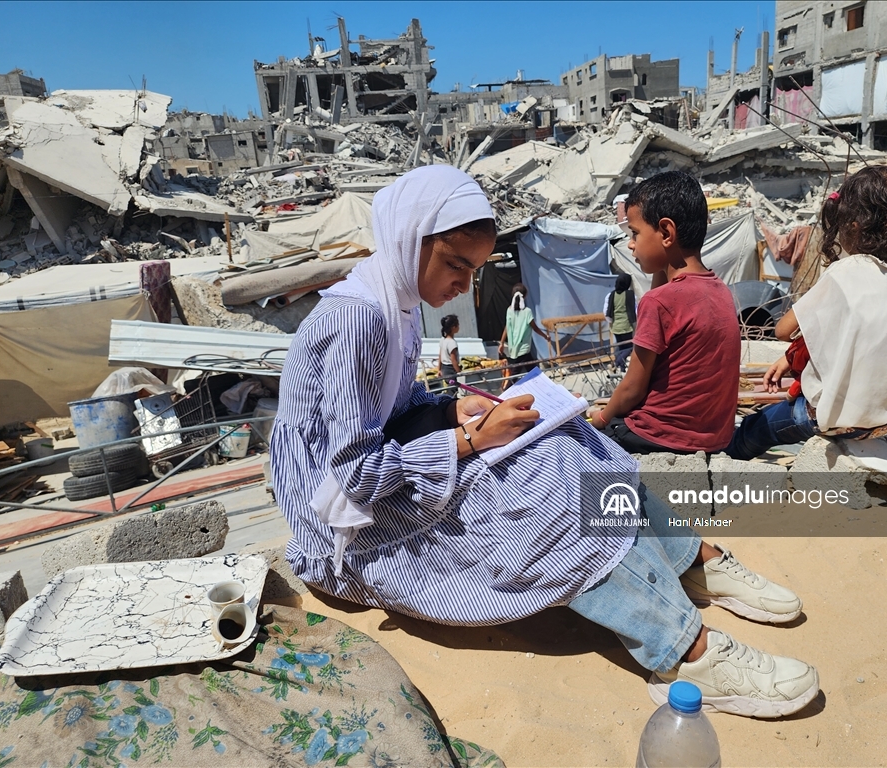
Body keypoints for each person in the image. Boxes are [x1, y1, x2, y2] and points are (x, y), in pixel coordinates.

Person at [271, 165, 818, 718]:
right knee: (547, 490)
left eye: (474, 269)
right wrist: (468, 439)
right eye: (456, 265)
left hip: (381, 480)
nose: (463, 285)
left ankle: (689, 558)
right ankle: (685, 648)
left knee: (574, 437)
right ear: (409, 238)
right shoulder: (360, 319)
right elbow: (351, 475)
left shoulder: (397, 305)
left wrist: (448, 407)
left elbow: (389, 406)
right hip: (345, 526)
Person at [725, 165, 887, 460]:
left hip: (830, 419)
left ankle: (727, 471)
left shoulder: (850, 273)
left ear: (854, 226)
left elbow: (782, 330)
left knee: (752, 429)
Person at [590, 172, 741, 456]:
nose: (631, 244)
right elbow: (666, 285)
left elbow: (632, 390)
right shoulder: (720, 290)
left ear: (667, 233)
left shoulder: (660, 303)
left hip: (661, 436)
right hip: (716, 439)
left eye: (635, 233)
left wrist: (601, 417)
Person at [498, 283, 549, 386]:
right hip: (523, 348)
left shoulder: (509, 310)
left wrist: (502, 343)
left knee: (532, 369)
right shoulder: (527, 312)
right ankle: (507, 391)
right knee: (515, 374)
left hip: (515, 347)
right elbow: (534, 327)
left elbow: (507, 327)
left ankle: (541, 386)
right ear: (525, 296)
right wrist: (545, 336)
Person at [604, 273, 637, 369]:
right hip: (627, 326)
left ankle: (621, 367)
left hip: (615, 326)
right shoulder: (630, 295)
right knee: (629, 348)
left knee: (621, 347)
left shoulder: (611, 295)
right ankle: (617, 363)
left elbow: (606, 311)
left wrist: (610, 322)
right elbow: (636, 310)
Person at [435, 314, 460, 395]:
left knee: (448, 388)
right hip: (450, 369)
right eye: (457, 324)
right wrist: (459, 372)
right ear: (453, 327)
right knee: (453, 390)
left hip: (444, 368)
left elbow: (440, 355)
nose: (459, 327)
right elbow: (453, 360)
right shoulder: (452, 343)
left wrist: (439, 369)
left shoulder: (443, 340)